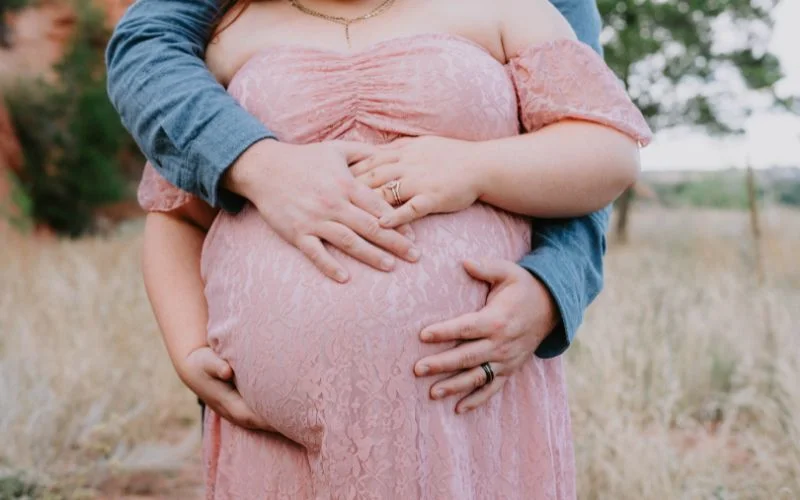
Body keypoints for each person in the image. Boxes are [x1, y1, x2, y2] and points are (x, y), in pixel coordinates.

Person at [116, 0, 652, 497]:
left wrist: (472, 167)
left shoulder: (510, 7)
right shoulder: (227, 34)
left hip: (462, 410)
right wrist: (188, 348)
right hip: (273, 440)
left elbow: (607, 151)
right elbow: (175, 215)